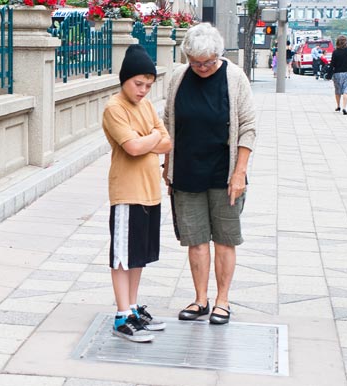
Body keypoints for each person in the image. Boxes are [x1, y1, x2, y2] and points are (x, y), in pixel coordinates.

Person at [162, 23, 256, 325]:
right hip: (187, 172)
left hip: (224, 174)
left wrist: (239, 173)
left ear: (218, 54)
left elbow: (248, 128)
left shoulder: (234, 77)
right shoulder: (178, 78)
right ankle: (200, 299)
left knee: (225, 239)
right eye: (196, 62)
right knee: (196, 240)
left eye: (208, 62)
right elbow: (168, 123)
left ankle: (222, 301)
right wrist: (167, 167)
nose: (202, 67)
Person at [102, 44, 172, 342]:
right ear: (125, 80)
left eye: (148, 85)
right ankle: (121, 317)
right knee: (122, 257)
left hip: (150, 192)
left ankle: (131, 307)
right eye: (138, 84)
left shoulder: (145, 106)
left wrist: (151, 138)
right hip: (127, 193)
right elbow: (132, 148)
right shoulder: (114, 108)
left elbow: (167, 142)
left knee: (138, 256)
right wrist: (153, 137)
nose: (143, 90)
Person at [330, 35, 347, 115]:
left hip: (337, 73)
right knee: (346, 90)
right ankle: (344, 107)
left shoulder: (335, 52)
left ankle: (338, 106)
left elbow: (332, 64)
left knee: (338, 90)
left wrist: (329, 73)